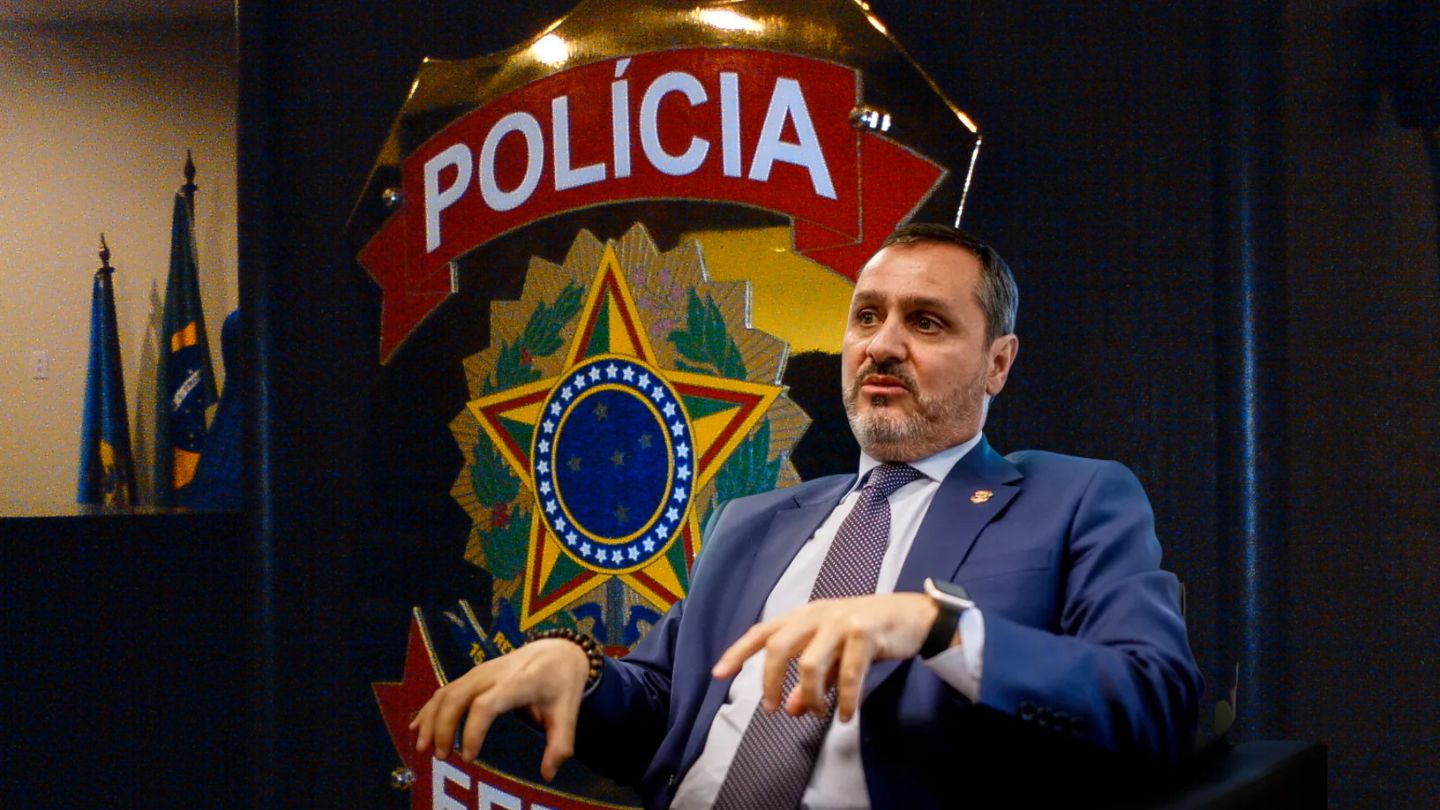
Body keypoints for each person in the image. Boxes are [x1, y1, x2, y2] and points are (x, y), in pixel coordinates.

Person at [412, 223, 1202, 808]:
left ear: (998, 362)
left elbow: (1157, 701)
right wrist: (579, 674)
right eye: (867, 317)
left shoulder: (1073, 499)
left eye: (926, 322)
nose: (882, 346)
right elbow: (660, 710)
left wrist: (938, 628)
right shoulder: (754, 521)